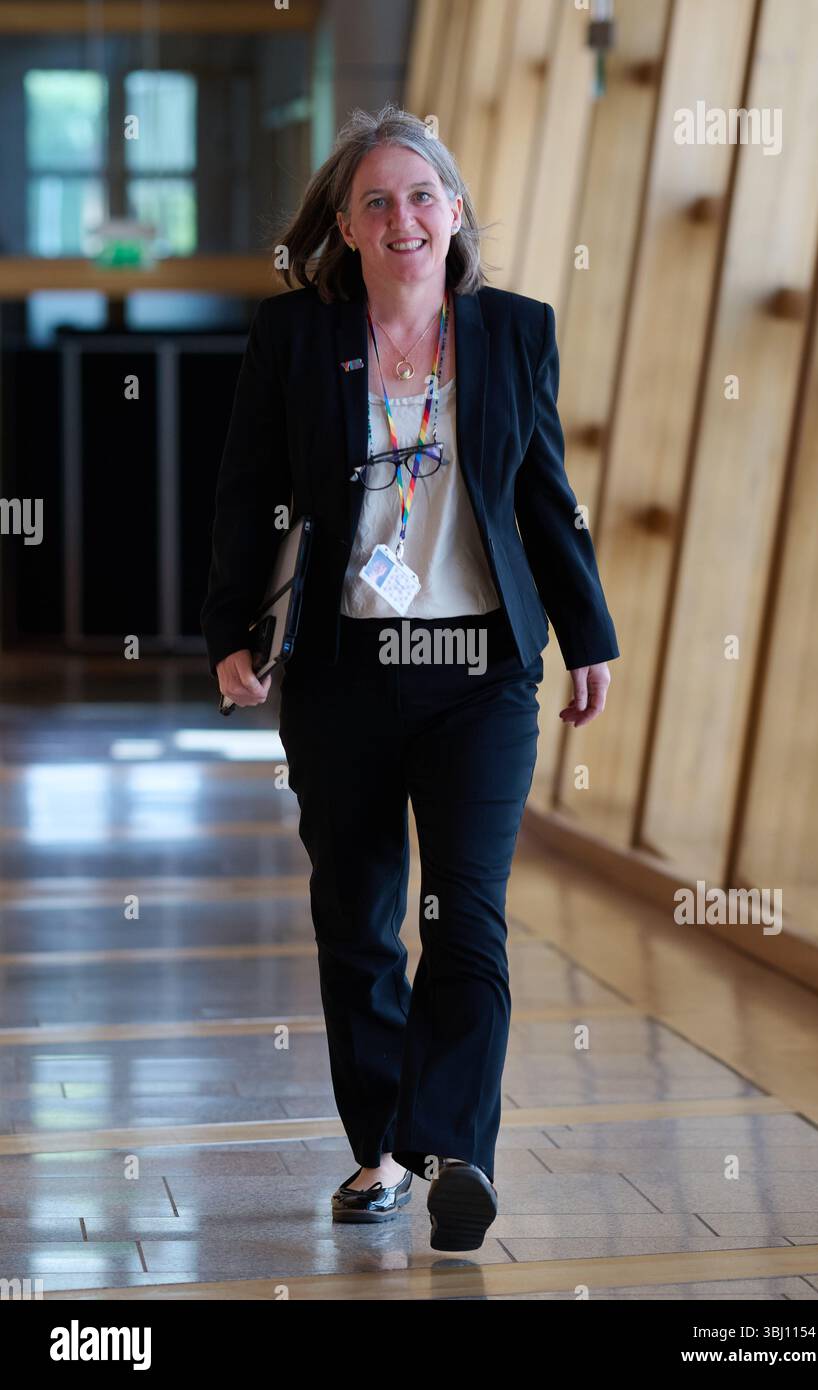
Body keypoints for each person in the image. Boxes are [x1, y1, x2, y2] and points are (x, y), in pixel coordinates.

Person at [201, 102, 619, 1252]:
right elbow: (247, 490)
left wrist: (585, 632)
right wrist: (229, 629)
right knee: (360, 916)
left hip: (479, 671)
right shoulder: (296, 339)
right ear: (344, 222)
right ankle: (379, 1150)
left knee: (468, 916)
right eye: (377, 200)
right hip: (342, 672)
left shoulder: (512, 334)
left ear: (456, 211)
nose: (402, 217)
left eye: (422, 195)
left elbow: (543, 498)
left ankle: (458, 1154)